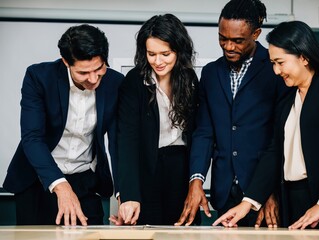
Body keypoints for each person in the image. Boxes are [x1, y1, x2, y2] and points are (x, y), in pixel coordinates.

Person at [213, 20, 319, 236]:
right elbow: (274, 152)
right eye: (273, 63)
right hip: (292, 199)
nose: (276, 71)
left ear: (303, 56)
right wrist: (247, 203)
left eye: (280, 62)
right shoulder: (287, 99)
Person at [175, 0, 290, 227]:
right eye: (222, 38)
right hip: (225, 192)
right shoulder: (210, 73)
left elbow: (281, 137)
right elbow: (204, 132)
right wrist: (196, 179)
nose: (228, 46)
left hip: (264, 194)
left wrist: (269, 189)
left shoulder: (275, 69)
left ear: (256, 34)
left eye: (237, 41)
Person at [3, 24, 124, 226]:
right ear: (66, 62)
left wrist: (124, 196)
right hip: (39, 180)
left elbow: (118, 144)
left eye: (99, 69)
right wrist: (61, 186)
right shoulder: (39, 77)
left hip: (85, 181)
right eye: (84, 73)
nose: (94, 79)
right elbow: (32, 138)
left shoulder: (115, 82)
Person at [109, 13, 200, 225]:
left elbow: (197, 132)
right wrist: (129, 195)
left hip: (181, 168)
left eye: (165, 54)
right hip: (147, 169)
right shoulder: (134, 81)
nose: (157, 61)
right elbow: (127, 140)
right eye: (151, 54)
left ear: (179, 50)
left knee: (183, 230)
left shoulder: (189, 78)